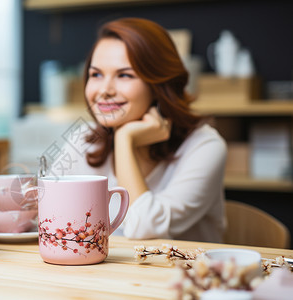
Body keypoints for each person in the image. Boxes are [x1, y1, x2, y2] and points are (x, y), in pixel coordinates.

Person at [51, 18, 227, 242]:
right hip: (101, 274)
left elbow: (142, 227)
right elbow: (43, 211)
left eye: (124, 75)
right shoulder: (84, 139)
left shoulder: (205, 147)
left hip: (181, 275)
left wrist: (125, 140)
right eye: (96, 74)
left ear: (158, 84)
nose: (104, 90)